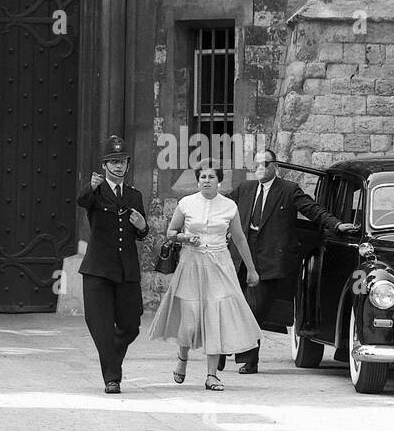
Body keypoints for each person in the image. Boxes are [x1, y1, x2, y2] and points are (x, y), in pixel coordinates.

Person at [221, 149, 357, 373]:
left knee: (254, 310)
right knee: (232, 307)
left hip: (270, 259)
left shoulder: (288, 190)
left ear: (276, 166)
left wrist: (336, 225)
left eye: (265, 163)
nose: (260, 168)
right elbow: (221, 209)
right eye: (256, 164)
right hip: (241, 258)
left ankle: (248, 359)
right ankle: (223, 350)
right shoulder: (244, 189)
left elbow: (312, 210)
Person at [149, 165, 260, 391]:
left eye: (211, 177)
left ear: (219, 181)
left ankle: (212, 375)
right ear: (197, 180)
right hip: (191, 263)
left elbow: (239, 238)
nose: (206, 181)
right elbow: (170, 232)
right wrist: (185, 238)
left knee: (215, 317)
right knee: (189, 321)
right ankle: (182, 358)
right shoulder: (187, 203)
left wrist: (251, 269)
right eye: (202, 177)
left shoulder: (229, 206)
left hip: (220, 264)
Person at [77, 135, 149, 394]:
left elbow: (140, 232)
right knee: (101, 327)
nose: (118, 166)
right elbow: (82, 200)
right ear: (104, 165)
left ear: (128, 165)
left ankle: (111, 360)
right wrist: (90, 186)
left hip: (126, 270)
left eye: (122, 162)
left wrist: (143, 227)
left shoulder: (134, 195)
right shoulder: (95, 192)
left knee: (131, 326)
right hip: (98, 270)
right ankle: (112, 377)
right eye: (113, 162)